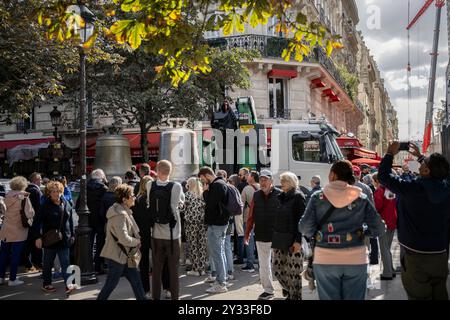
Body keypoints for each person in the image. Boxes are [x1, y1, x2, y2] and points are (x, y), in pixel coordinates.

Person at [299, 160, 386, 300]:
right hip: (356, 259)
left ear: (332, 175)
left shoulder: (317, 198)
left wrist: (318, 234)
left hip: (325, 259)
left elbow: (304, 227)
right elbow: (380, 228)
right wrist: (363, 232)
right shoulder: (361, 198)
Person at [378, 141, 450, 300]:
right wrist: (420, 157)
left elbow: (383, 176)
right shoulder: (446, 189)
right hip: (440, 253)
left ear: (425, 170)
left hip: (415, 254)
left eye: (424, 164)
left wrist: (390, 153)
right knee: (440, 294)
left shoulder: (411, 188)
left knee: (418, 295)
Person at [97, 184, 146, 300]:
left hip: (125, 255)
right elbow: (123, 238)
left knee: (136, 282)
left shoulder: (123, 211)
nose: (134, 197)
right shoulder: (119, 215)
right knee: (110, 285)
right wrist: (137, 241)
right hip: (117, 256)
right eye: (132, 195)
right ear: (124, 199)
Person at [147, 160, 184, 300]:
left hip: (156, 233)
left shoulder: (150, 184)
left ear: (157, 170)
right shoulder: (176, 186)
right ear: (170, 171)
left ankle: (155, 296)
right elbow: (174, 208)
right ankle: (175, 296)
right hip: (173, 234)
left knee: (156, 269)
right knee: (173, 269)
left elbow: (149, 205)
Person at [244, 170, 281, 300]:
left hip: (277, 236)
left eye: (266, 179)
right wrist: (247, 234)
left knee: (279, 266)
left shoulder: (280, 195)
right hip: (261, 235)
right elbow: (251, 216)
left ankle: (286, 288)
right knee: (264, 266)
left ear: (272, 181)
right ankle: (268, 290)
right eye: (261, 180)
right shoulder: (256, 195)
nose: (263, 182)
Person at [34, 181, 75, 294]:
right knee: (47, 263)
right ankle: (47, 284)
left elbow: (70, 220)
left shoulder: (66, 203)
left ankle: (69, 284)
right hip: (50, 239)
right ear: (49, 193)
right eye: (53, 191)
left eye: (58, 191)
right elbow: (36, 222)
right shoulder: (45, 206)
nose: (56, 193)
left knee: (65, 262)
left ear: (62, 192)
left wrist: (72, 234)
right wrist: (37, 237)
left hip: (64, 239)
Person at [271, 172, 306, 300]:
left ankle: (294, 296)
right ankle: (288, 290)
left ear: (291, 182)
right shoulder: (281, 197)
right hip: (280, 239)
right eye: (281, 180)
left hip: (293, 240)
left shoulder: (298, 197)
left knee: (294, 273)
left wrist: (298, 241)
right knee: (277, 269)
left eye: (284, 181)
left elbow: (301, 221)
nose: (281, 183)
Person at [198, 167, 229, 294]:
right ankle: (222, 280)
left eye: (202, 179)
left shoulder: (217, 185)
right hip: (218, 223)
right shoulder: (220, 184)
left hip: (217, 224)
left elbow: (211, 204)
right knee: (219, 253)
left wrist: (205, 192)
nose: (202, 182)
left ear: (207, 175)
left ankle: (221, 283)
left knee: (217, 254)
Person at [0, 176, 35, 286]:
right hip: (18, 230)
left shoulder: (6, 196)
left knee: (3, 254)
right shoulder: (24, 197)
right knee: (16, 255)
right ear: (23, 185)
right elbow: (30, 213)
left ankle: (0, 277)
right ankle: (12, 279)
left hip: (6, 229)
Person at [372, 172, 397, 280]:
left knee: (384, 248)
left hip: (384, 222)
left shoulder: (379, 191)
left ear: (378, 181)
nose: (373, 183)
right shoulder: (390, 189)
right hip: (392, 220)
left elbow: (377, 207)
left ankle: (387, 273)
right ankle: (391, 269)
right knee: (387, 247)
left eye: (374, 181)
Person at [131, 175, 153, 297]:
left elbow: (134, 219)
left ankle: (146, 290)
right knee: (160, 262)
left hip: (141, 234)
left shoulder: (137, 200)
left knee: (143, 264)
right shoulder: (153, 199)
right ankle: (166, 288)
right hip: (154, 233)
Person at [84, 169, 109, 275]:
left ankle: (87, 265)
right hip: (100, 219)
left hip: (88, 219)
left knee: (88, 243)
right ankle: (98, 266)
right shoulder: (103, 188)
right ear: (102, 177)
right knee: (100, 243)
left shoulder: (85, 187)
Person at [182, 177, 208, 277]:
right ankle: (202, 269)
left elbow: (182, 209)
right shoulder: (202, 195)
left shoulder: (187, 195)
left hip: (190, 223)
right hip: (201, 222)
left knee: (193, 245)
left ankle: (196, 269)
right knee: (201, 244)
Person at [240, 171, 260, 272]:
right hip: (261, 217)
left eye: (249, 176)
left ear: (252, 178)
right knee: (261, 239)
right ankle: (261, 263)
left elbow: (241, 204)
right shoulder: (262, 187)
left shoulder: (246, 189)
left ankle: (250, 263)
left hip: (249, 217)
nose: (247, 177)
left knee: (249, 239)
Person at [24, 172, 43, 272]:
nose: (41, 181)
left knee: (28, 243)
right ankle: (38, 265)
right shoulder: (36, 191)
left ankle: (28, 265)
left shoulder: (26, 189)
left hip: (27, 221)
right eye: (40, 179)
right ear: (35, 180)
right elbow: (39, 208)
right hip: (35, 221)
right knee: (37, 243)